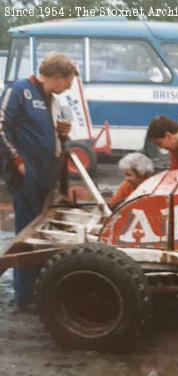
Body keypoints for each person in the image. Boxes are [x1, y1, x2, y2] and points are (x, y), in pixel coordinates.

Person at [0, 53, 78, 310]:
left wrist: (61, 132)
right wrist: (18, 161)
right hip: (28, 174)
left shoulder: (51, 99)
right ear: (56, 77)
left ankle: (38, 291)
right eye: (68, 82)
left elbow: (46, 133)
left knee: (44, 234)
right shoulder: (20, 90)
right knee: (27, 233)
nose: (69, 87)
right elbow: (2, 127)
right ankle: (24, 297)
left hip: (48, 173)